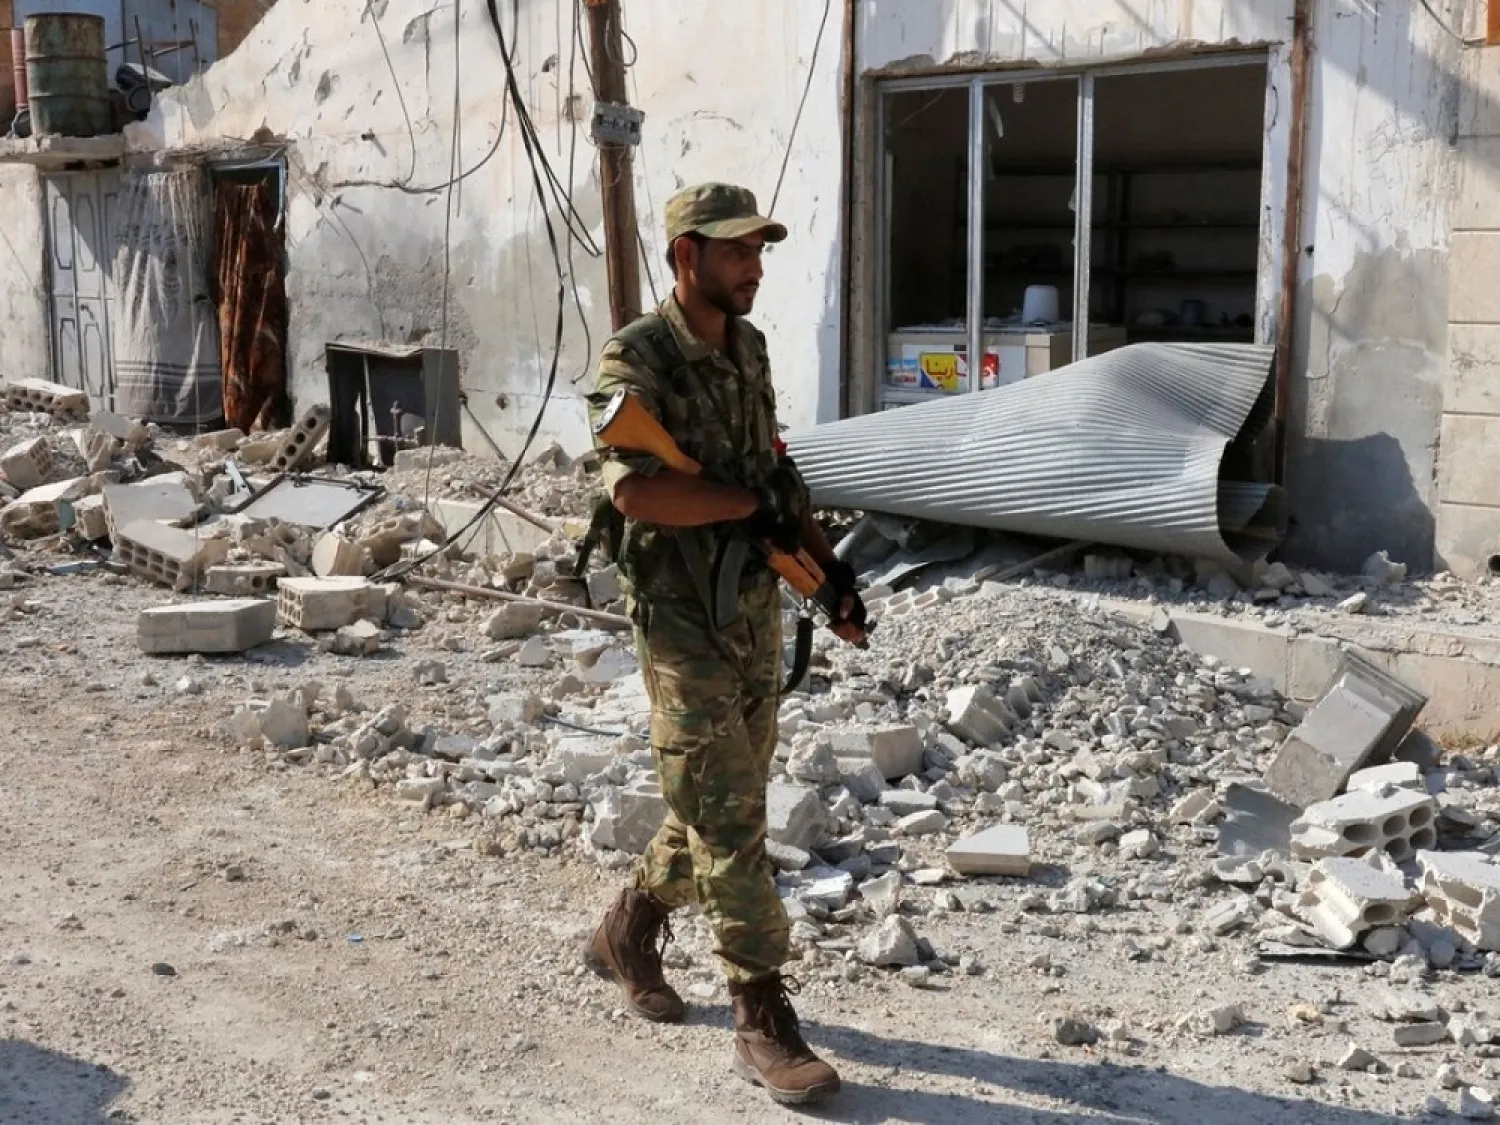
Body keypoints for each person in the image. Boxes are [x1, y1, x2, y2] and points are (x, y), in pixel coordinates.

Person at [581, 183, 866, 1106]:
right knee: (733, 810)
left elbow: (773, 471)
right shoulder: (637, 356)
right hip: (677, 618)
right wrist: (745, 505)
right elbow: (636, 491)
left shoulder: (750, 348)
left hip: (750, 605)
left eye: (760, 251)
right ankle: (761, 1013)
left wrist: (829, 573)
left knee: (715, 794)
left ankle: (629, 927)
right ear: (686, 255)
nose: (755, 267)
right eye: (738, 250)